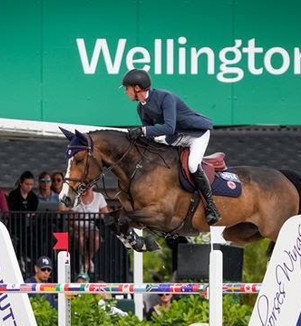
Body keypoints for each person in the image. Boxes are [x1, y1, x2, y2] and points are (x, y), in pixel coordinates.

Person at [121, 68, 220, 225]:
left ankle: (211, 206)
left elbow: (168, 127)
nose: (126, 92)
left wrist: (142, 130)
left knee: (193, 165)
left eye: (127, 88)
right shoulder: (141, 108)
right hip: (177, 137)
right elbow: (150, 135)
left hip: (196, 134)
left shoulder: (165, 97)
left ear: (137, 88)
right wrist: (137, 137)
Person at [70, 187, 109, 274]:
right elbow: (70, 217)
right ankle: (88, 262)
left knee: (96, 238)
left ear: (93, 186)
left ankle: (86, 261)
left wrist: (100, 216)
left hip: (92, 226)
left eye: (88, 186)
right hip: (77, 227)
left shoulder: (99, 196)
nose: (85, 189)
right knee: (79, 237)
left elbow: (106, 213)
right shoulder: (75, 197)